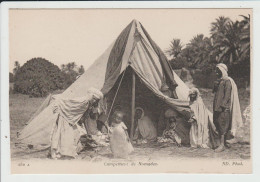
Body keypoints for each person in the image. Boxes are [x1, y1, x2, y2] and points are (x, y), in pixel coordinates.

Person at [50, 88, 103, 159]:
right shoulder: (84, 100)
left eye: (96, 100)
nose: (94, 101)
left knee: (75, 134)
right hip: (64, 115)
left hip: (70, 119)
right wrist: (59, 101)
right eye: (93, 98)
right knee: (64, 135)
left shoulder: (88, 104)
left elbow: (81, 114)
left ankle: (66, 152)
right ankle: (60, 153)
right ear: (91, 96)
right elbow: (70, 103)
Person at [213, 63, 243, 152]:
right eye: (216, 71)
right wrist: (216, 84)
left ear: (222, 71)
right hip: (217, 106)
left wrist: (223, 106)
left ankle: (222, 145)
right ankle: (224, 143)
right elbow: (214, 92)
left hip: (223, 108)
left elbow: (227, 95)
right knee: (218, 123)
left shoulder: (228, 81)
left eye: (218, 71)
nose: (216, 72)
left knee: (222, 125)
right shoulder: (220, 81)